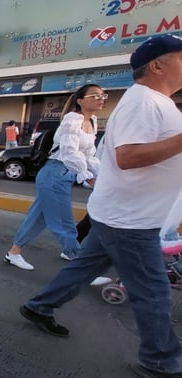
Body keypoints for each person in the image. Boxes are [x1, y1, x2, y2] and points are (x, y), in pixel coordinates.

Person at [19, 35, 182, 377]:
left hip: (121, 212)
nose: (101, 99)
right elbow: (127, 155)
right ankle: (161, 360)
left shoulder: (158, 102)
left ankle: (39, 306)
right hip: (129, 219)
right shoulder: (143, 102)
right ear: (157, 65)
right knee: (152, 291)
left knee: (82, 268)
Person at [4, 83, 105, 270]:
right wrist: (86, 176)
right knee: (64, 222)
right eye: (95, 96)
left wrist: (100, 174)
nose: (101, 99)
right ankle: (78, 262)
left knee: (37, 217)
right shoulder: (72, 119)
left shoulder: (92, 122)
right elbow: (69, 152)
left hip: (64, 175)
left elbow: (89, 154)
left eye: (102, 95)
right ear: (81, 101)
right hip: (55, 173)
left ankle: (14, 253)